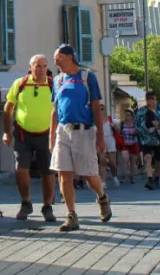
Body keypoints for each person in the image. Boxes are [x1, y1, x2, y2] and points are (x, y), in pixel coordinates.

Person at [49, 44, 112, 231]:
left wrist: (101, 136)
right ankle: (71, 215)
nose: (56, 62)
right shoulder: (58, 80)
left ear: (70, 57)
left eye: (58, 58)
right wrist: (51, 135)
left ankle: (102, 196)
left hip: (84, 131)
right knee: (63, 172)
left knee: (88, 174)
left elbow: (95, 107)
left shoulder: (87, 77)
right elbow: (54, 109)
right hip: (63, 131)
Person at [3, 54, 56, 221]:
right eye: (37, 66)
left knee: (48, 172)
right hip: (23, 134)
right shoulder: (20, 84)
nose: (41, 69)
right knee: (21, 170)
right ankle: (26, 203)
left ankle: (47, 207)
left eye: (44, 66)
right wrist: (6, 131)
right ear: (30, 67)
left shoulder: (53, 85)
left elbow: (61, 108)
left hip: (46, 134)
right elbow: (8, 107)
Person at [134, 91, 160, 190]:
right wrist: (144, 130)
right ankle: (150, 179)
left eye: (152, 99)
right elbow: (136, 124)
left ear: (155, 99)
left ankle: (156, 178)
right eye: (148, 99)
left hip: (157, 139)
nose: (150, 101)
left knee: (158, 161)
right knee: (148, 157)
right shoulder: (142, 111)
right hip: (145, 139)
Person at [118, 109, 141, 184]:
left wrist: (136, 132)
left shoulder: (135, 124)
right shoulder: (121, 124)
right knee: (125, 159)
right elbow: (119, 132)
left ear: (132, 116)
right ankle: (124, 176)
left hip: (134, 143)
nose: (127, 116)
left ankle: (132, 176)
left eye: (128, 114)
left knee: (132, 161)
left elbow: (139, 132)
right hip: (125, 144)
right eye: (126, 114)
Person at [99, 104, 120, 186]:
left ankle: (114, 176)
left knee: (112, 162)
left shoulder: (111, 119)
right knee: (102, 161)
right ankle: (103, 181)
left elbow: (119, 129)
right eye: (99, 109)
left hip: (110, 140)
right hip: (100, 140)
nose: (101, 111)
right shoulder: (95, 120)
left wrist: (115, 127)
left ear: (105, 110)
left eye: (102, 109)